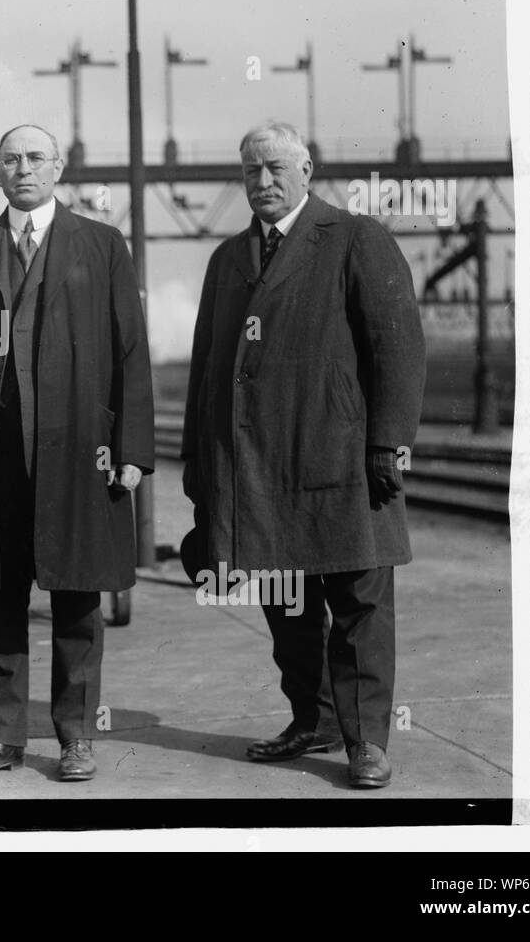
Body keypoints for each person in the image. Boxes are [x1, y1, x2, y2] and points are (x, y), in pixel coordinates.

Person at [181, 121, 426, 789]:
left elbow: (397, 347)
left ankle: (367, 741)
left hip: (341, 462)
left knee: (357, 608)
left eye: (275, 168)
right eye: (251, 171)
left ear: (307, 169)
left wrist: (388, 442)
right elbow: (209, 370)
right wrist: (200, 472)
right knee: (287, 607)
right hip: (257, 471)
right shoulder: (228, 259)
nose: (262, 181)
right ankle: (311, 718)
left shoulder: (353, 238)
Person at [0, 124, 155, 783]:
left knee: (77, 600)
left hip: (80, 457)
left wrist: (131, 448)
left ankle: (76, 736)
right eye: (11, 159)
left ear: (61, 167)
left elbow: (130, 351)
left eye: (36, 158)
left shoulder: (102, 245)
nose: (24, 168)